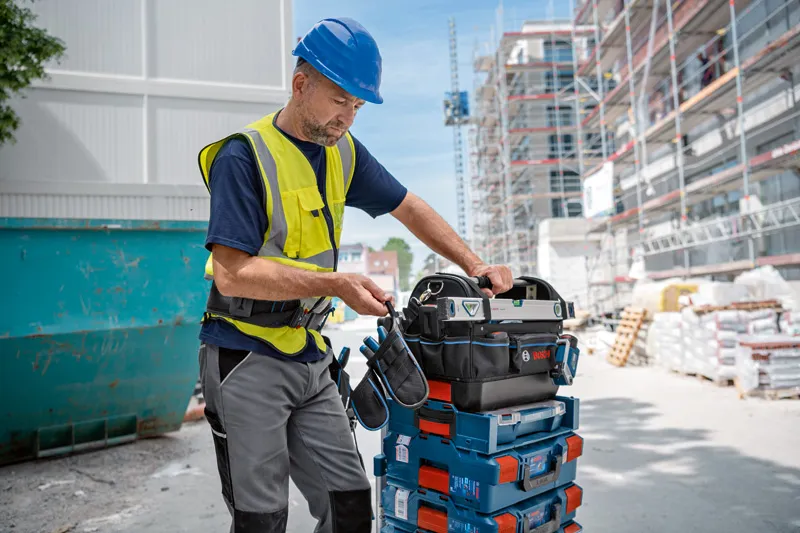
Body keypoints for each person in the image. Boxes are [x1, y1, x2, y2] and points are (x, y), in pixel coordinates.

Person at [196, 17, 513, 533]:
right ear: (302, 85)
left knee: (349, 507)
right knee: (262, 519)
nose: (348, 116)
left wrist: (473, 264)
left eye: (358, 106)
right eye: (340, 100)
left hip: (308, 354)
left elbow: (409, 208)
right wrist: (335, 284)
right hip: (244, 354)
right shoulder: (243, 156)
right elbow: (232, 275)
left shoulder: (342, 152)